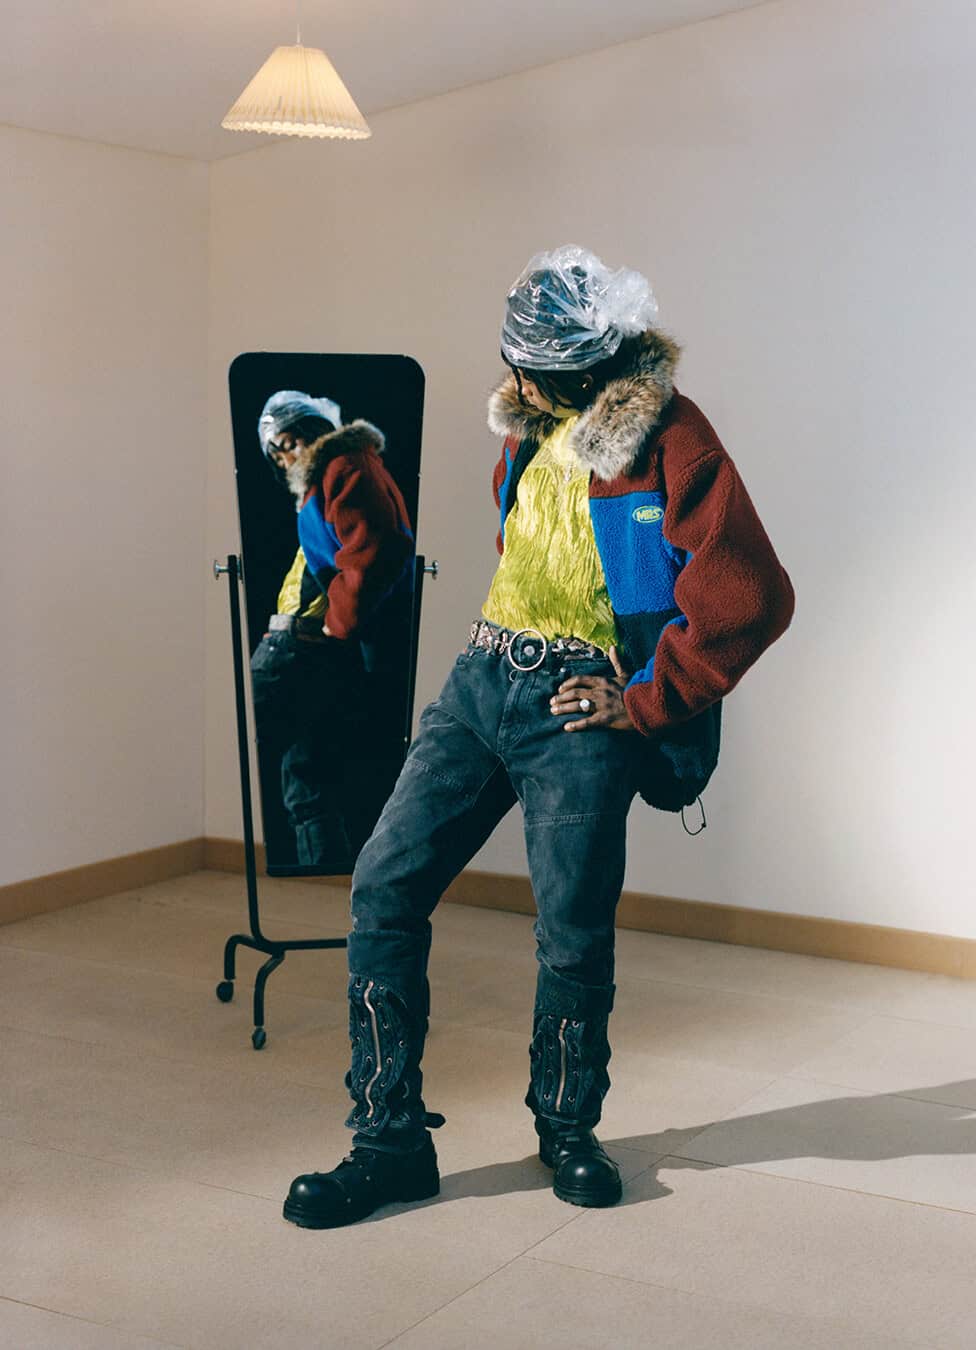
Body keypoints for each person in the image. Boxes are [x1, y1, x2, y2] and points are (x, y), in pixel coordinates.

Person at [283, 246, 795, 1228]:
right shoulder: (531, 429)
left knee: (572, 926)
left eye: (528, 369)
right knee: (384, 884)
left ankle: (567, 1129)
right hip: (482, 680)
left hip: (577, 705)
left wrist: (645, 699)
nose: (511, 382)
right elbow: (534, 544)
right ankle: (388, 1143)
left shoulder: (671, 438)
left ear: (584, 366)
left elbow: (751, 594)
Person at [250, 391, 415, 867]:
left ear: (314, 431)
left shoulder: (344, 465)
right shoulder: (330, 476)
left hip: (301, 645)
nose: (287, 457)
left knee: (237, 735)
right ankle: (323, 881)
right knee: (307, 784)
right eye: (277, 453)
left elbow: (377, 553)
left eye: (289, 443)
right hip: (309, 645)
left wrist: (334, 626)